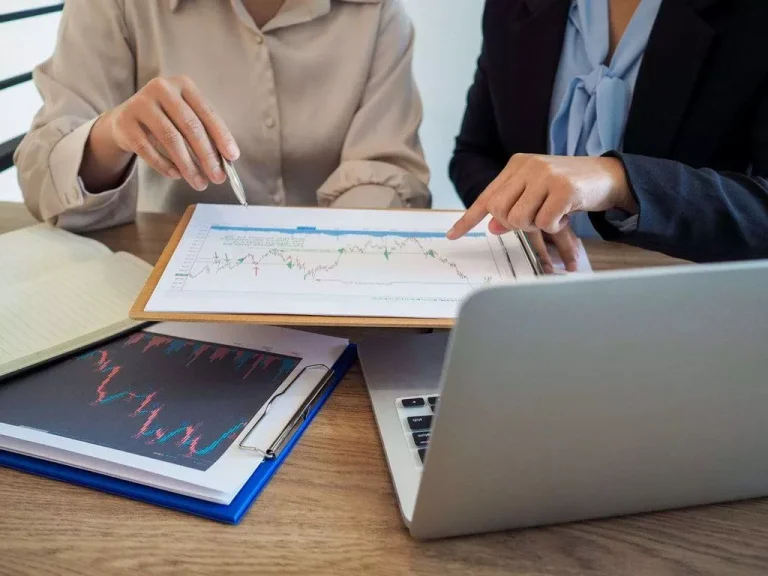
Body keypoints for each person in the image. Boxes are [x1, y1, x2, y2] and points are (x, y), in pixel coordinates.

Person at [14, 0, 430, 232]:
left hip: (334, 291)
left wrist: (332, 258)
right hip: (156, 277)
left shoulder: (378, 14)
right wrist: (112, 134)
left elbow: (385, 169)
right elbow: (44, 185)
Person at [447, 0, 768, 270]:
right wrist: (517, 208)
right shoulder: (514, 6)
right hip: (540, 283)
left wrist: (621, 181)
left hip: (691, 301)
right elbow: (473, 153)